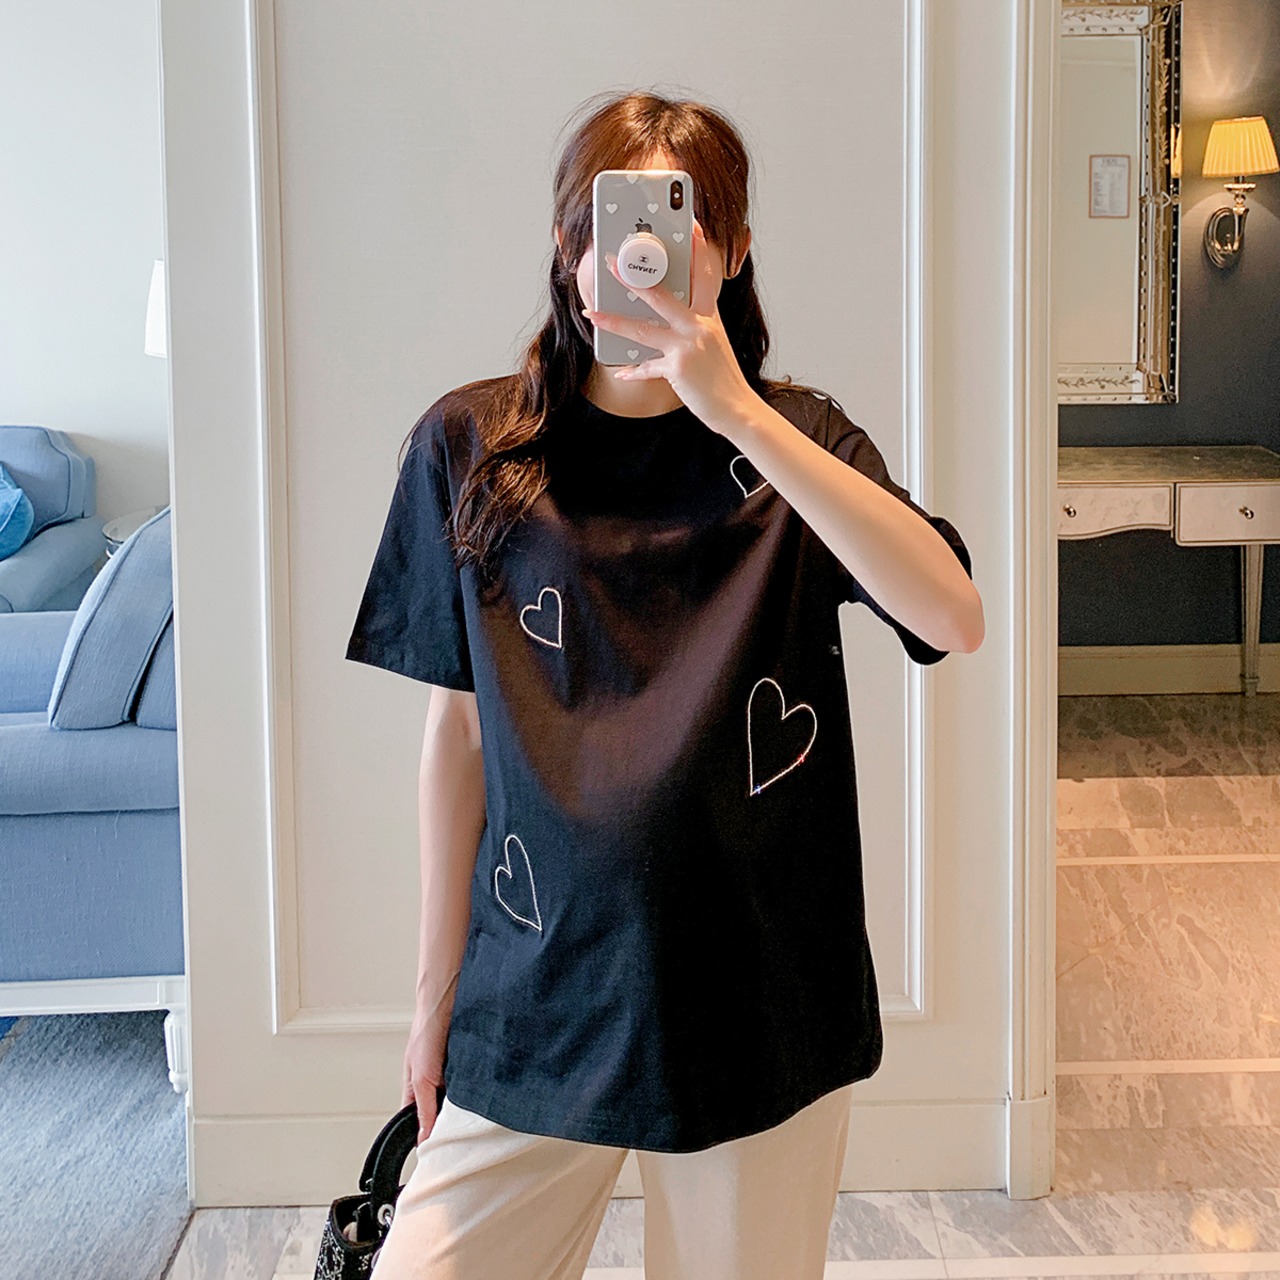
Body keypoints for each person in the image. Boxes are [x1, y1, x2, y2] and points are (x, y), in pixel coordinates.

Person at [346, 89, 982, 1280]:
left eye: (674, 225)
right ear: (566, 242)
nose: (636, 254)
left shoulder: (796, 445)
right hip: (537, 990)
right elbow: (459, 736)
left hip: (754, 993)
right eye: (611, 221)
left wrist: (735, 409)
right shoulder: (468, 449)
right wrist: (431, 1000)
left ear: (728, 250)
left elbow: (950, 614)